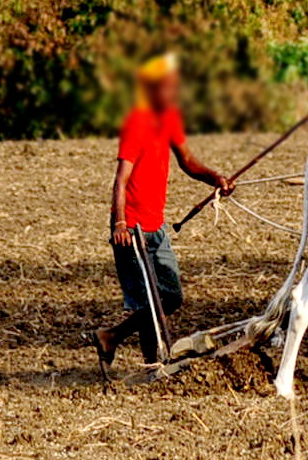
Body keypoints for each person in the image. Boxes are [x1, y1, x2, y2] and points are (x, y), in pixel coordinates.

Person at [85, 53, 233, 370]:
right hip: (133, 228)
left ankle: (111, 337)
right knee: (150, 303)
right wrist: (120, 224)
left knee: (170, 296)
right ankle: (153, 363)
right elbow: (121, 180)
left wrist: (215, 178)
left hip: (156, 225)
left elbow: (188, 161)